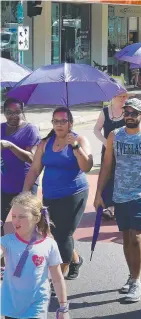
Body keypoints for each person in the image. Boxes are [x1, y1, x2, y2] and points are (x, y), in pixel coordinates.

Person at [94, 98, 141, 303]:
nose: (129, 116)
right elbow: (107, 165)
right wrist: (98, 193)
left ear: (140, 115)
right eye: (126, 112)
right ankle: (131, 275)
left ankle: (136, 281)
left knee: (136, 236)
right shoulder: (114, 136)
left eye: (133, 113)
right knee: (127, 237)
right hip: (120, 194)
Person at [23, 107, 93, 280]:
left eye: (63, 121)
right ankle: (76, 260)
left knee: (63, 235)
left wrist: (75, 147)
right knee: (54, 233)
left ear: (71, 123)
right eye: (56, 121)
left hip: (74, 194)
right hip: (50, 195)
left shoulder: (79, 140)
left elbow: (87, 166)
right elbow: (34, 170)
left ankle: (58, 278)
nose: (59, 124)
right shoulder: (45, 143)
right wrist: (24, 194)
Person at [1, 192, 69, 319]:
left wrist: (63, 308)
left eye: (22, 216)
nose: (16, 220)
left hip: (37, 304)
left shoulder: (49, 244)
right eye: (14, 216)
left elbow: (57, 278)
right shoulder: (7, 241)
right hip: (12, 304)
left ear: (36, 218)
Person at [1, 98, 41, 277]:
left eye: (16, 112)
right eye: (9, 112)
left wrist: (10, 145)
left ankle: (29, 261)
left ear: (22, 111)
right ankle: (2, 262)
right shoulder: (1, 128)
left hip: (25, 184)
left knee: (27, 223)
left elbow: (32, 158)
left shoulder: (30, 129)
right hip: (4, 183)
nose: (12, 116)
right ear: (4, 112)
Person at [93, 91, 129, 220]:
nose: (123, 99)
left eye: (125, 96)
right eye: (121, 96)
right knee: (107, 176)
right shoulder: (105, 111)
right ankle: (109, 206)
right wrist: (105, 142)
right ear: (113, 97)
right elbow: (96, 129)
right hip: (108, 150)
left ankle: (121, 205)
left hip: (124, 151)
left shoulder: (128, 111)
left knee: (121, 176)